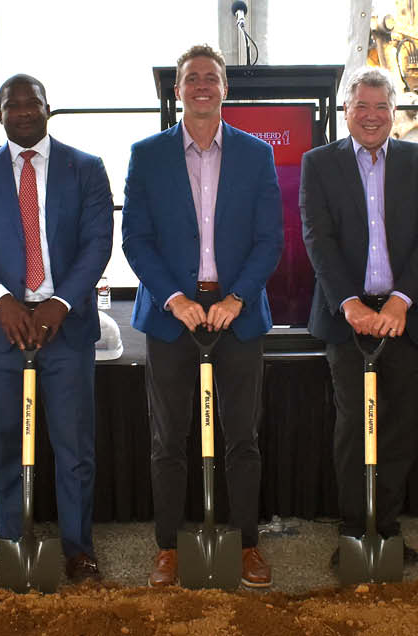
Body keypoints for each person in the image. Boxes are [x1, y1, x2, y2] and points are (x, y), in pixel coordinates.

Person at [121, 44, 282, 588]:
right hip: (172, 317)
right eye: (192, 79)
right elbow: (136, 240)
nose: (202, 86)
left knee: (243, 438)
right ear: (178, 90)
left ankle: (247, 546)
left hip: (239, 313)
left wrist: (236, 297)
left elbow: (270, 239)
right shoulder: (147, 155)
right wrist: (175, 298)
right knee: (168, 440)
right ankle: (168, 547)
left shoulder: (257, 155)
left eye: (211, 78)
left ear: (226, 88)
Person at [0, 74, 113, 584]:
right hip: (2, 329)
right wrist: (1, 302)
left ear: (49, 108)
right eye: (10, 104)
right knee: (5, 442)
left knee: (74, 446)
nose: (22, 111)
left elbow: (97, 243)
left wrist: (60, 302)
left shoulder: (85, 168)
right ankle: (12, 544)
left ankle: (77, 547)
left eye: (32, 103)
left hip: (65, 328)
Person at [300, 67, 418, 572]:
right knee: (352, 427)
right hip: (348, 317)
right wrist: (351, 304)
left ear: (393, 112)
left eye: (380, 107)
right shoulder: (318, 164)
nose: (370, 116)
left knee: (400, 427)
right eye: (360, 106)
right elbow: (317, 238)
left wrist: (400, 302)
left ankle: (385, 529)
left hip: (408, 314)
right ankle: (352, 531)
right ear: (346, 112)